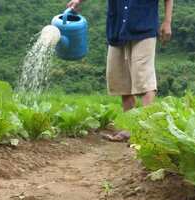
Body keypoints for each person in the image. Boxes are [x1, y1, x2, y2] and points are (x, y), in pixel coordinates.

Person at [66, 0, 173, 141]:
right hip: (118, 30)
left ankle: (145, 131)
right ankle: (128, 129)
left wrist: (167, 21)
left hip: (144, 28)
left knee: (144, 78)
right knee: (122, 80)